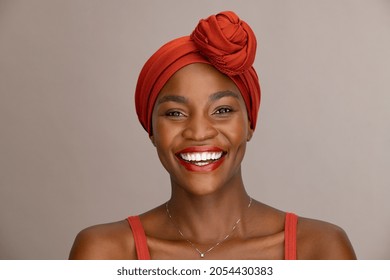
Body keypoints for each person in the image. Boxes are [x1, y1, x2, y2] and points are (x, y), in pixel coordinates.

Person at [69, 11, 356, 260]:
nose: (199, 131)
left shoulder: (320, 250)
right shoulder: (103, 253)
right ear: (152, 131)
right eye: (175, 113)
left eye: (222, 110)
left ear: (250, 125)